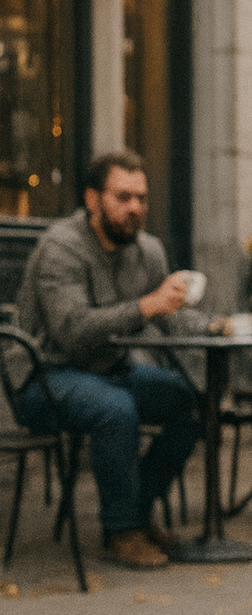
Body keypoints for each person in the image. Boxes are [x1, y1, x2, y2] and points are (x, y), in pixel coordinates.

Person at [13, 152, 201, 568]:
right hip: (46, 375)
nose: (135, 208)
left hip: (110, 370)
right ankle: (122, 531)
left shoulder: (147, 250)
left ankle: (136, 511)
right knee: (115, 410)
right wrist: (147, 305)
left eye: (141, 198)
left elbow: (170, 315)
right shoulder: (61, 247)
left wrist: (220, 326)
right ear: (92, 199)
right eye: (123, 197)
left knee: (187, 402)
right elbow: (72, 331)